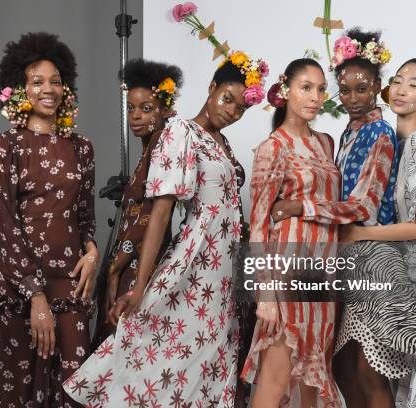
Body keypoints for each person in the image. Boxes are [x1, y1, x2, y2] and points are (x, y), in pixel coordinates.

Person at [64, 50, 268, 407]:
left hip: (227, 275)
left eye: (240, 108)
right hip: (197, 267)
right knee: (166, 357)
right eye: (227, 99)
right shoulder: (181, 131)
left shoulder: (224, 144)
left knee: (209, 366)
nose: (231, 111)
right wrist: (141, 285)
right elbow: (160, 211)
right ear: (212, 87)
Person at [272, 28, 416, 408]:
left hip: (373, 259)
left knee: (365, 370)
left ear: (378, 87)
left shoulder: (380, 133)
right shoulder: (346, 135)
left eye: (363, 88)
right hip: (346, 259)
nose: (354, 97)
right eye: (345, 89)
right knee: (341, 368)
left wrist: (300, 207)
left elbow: (363, 207)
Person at [0, 32, 97, 407]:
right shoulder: (5, 147)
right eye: (37, 81)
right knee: (18, 389)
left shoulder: (82, 148)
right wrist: (35, 296)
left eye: (56, 81)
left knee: (75, 385)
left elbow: (85, 215)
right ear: (20, 89)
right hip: (20, 288)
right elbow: (6, 225)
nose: (48, 89)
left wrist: (92, 252)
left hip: (70, 283)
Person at [342, 58, 416, 408]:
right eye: (398, 81)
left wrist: (362, 235)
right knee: (382, 377)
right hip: (400, 274)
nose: (402, 89)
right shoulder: (392, 139)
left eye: (414, 84)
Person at [242, 57, 342, 408]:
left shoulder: (327, 143)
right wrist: (266, 296)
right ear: (285, 91)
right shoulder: (275, 146)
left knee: (313, 384)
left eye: (320, 89)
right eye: (305, 88)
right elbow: (257, 225)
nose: (315, 97)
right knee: (274, 383)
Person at [92, 59, 183, 349]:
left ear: (165, 109)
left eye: (146, 108)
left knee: (125, 348)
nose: (135, 116)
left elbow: (149, 215)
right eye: (130, 108)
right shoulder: (151, 148)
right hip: (139, 260)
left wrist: (115, 268)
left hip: (141, 264)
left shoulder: (160, 146)